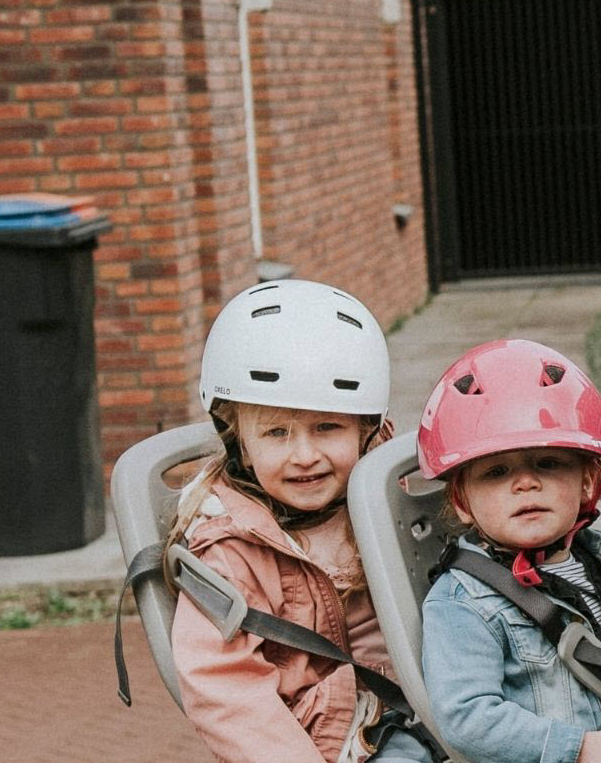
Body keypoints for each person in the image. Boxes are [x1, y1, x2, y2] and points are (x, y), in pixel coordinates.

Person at [409, 339, 601, 763]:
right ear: (462, 502)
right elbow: (468, 718)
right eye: (497, 472)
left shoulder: (595, 562)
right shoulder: (463, 603)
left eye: (547, 464)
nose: (525, 483)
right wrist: (578, 748)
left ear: (589, 482)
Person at [166, 279, 431, 763]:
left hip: (422, 710)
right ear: (240, 442)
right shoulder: (228, 551)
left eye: (327, 427)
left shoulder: (386, 501)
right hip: (317, 743)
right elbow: (226, 692)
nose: (304, 455)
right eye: (276, 432)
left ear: (366, 429)